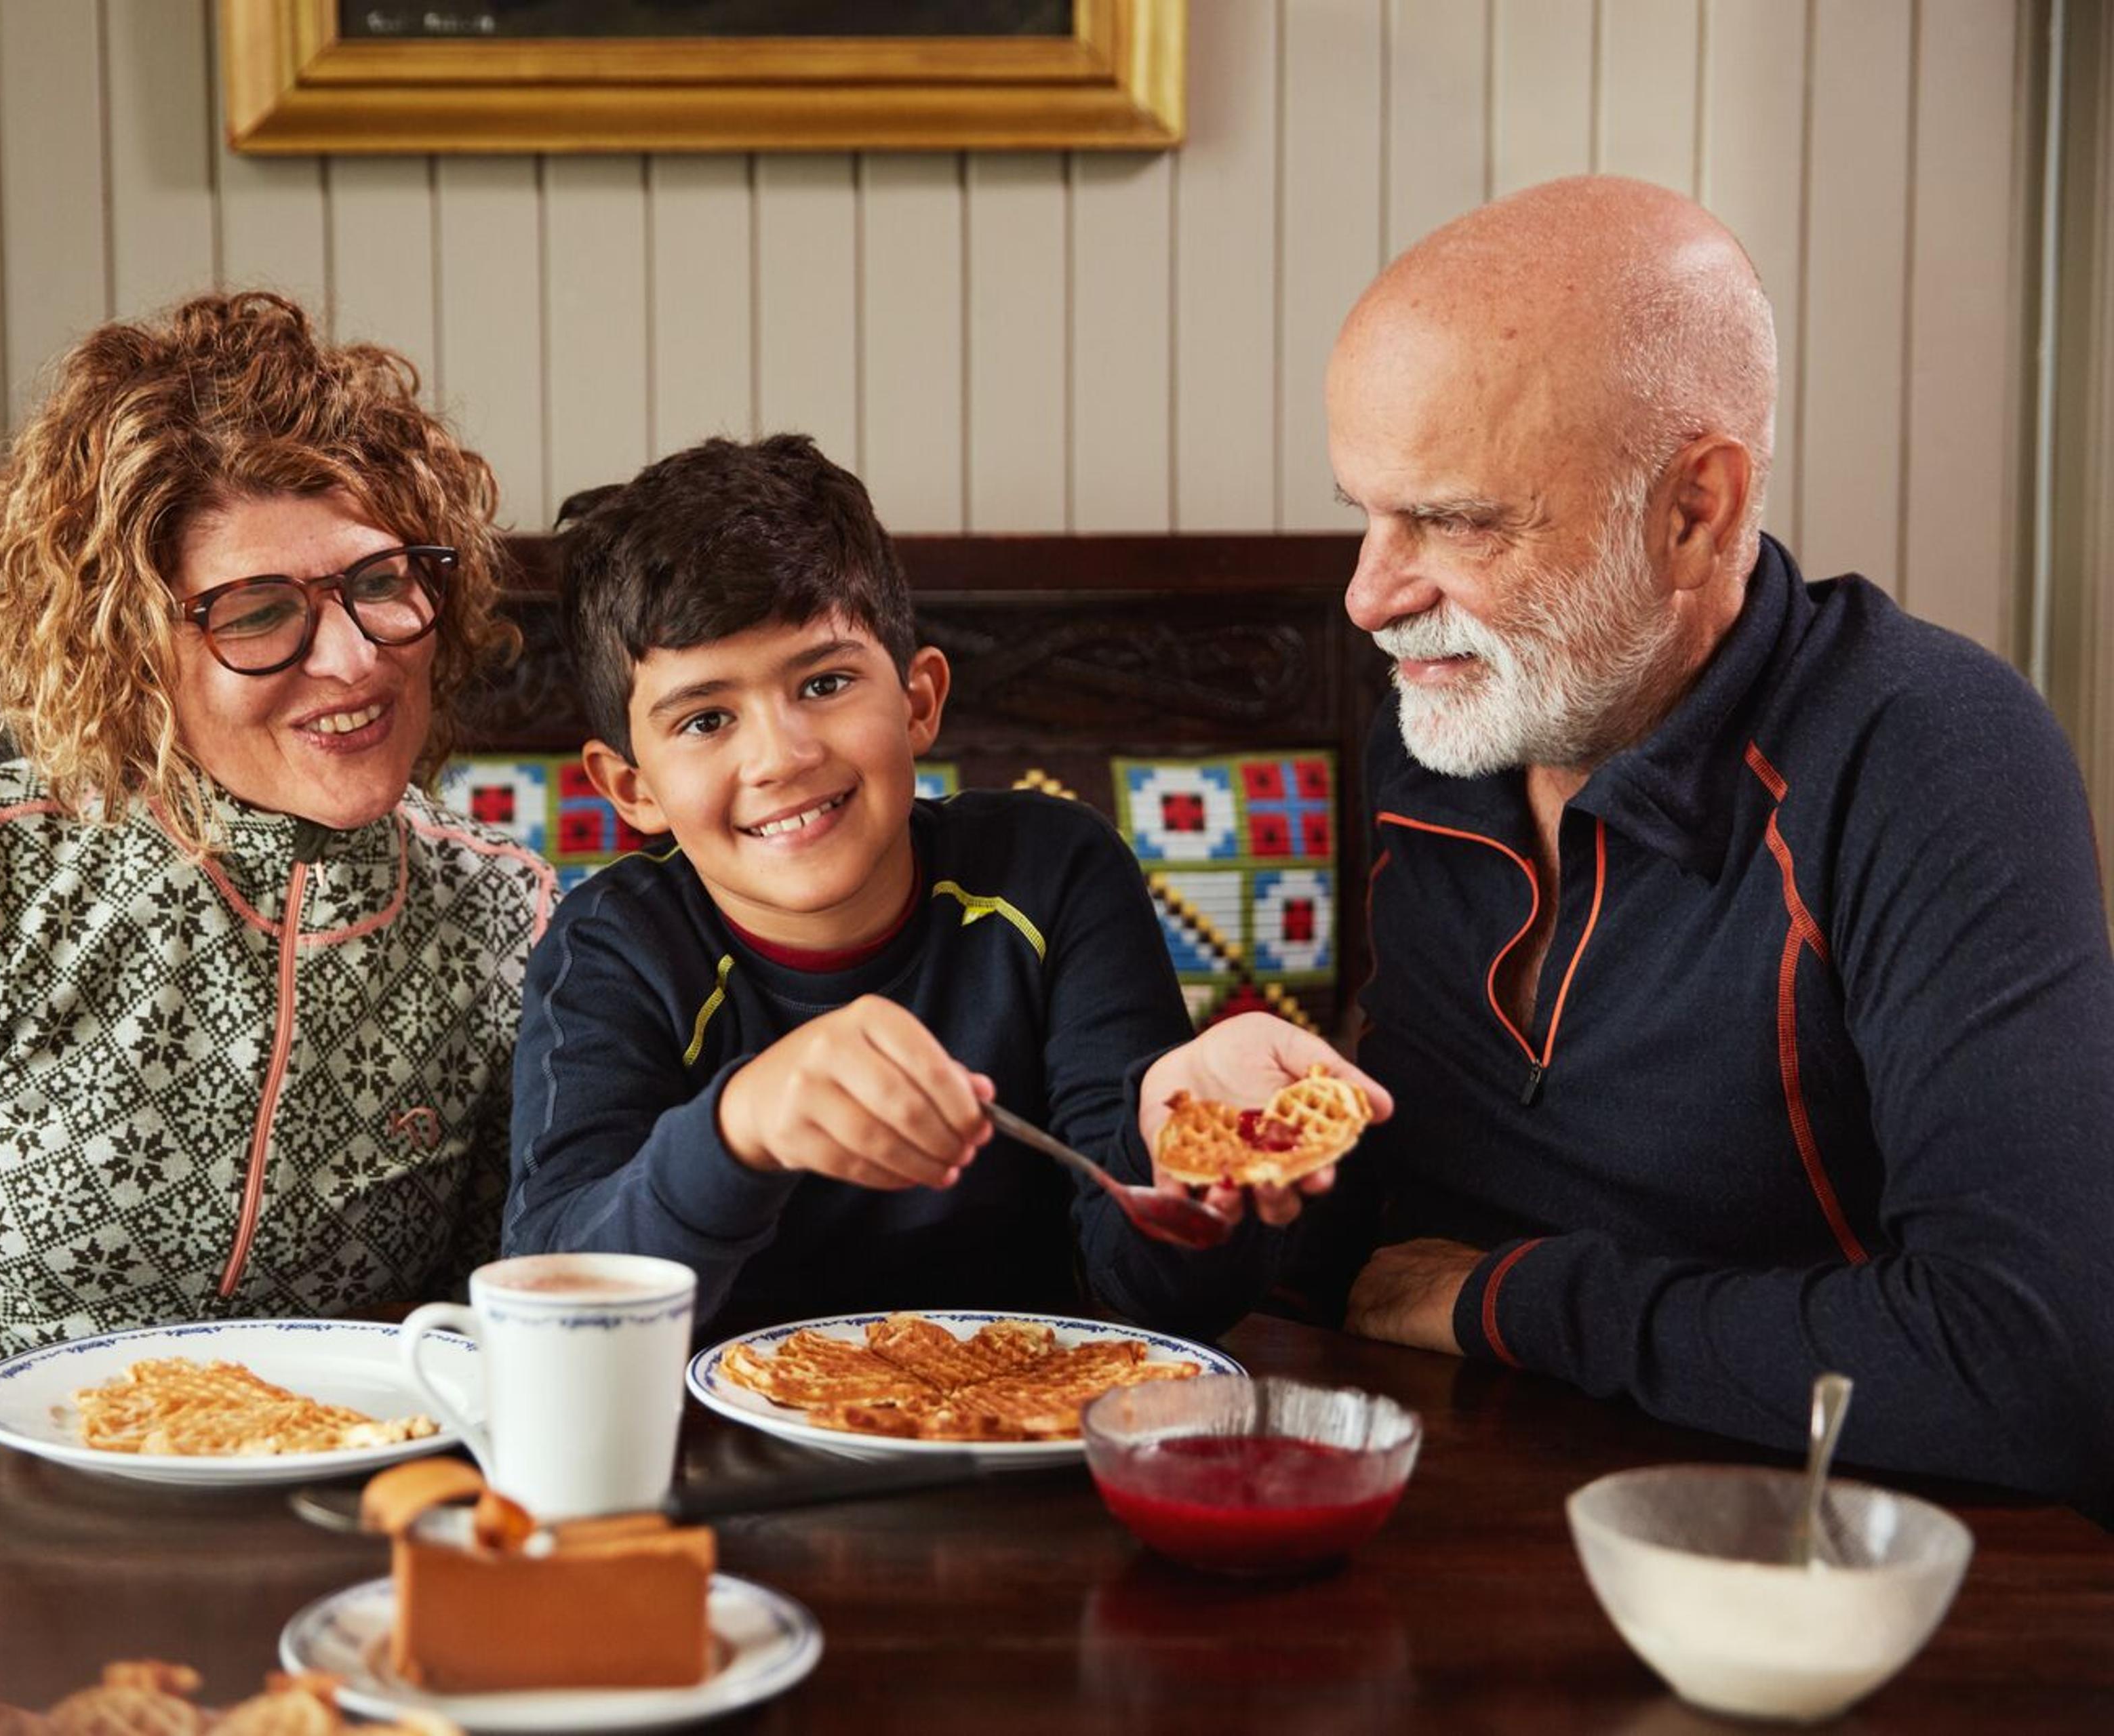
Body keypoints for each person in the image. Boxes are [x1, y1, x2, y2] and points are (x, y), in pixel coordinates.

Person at [1171, 175, 2113, 1508]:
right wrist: (1226, 1137)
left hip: (1794, 1556)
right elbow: (1391, 1241)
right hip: (1439, 1514)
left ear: (1693, 512)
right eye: (1363, 512)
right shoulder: (1447, 711)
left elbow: (2036, 1368)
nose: (1370, 597)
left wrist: (1510, 1302)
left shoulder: (1931, 753)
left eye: (1454, 519)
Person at [0, 292, 555, 1449]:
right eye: (258, 612)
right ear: (128, 647)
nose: (351, 658)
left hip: (340, 1549)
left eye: (381, 582)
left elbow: (498, 1325)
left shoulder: (502, 914)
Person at [500, 435, 1384, 1335]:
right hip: (713, 1462)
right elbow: (548, 1299)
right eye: (706, 718)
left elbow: (1156, 1295)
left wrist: (1193, 1172)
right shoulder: (610, 948)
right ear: (631, 787)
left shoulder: (1055, 876)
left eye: (827, 681)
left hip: (1026, 1437)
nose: (780, 755)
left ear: (919, 700)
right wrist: (736, 1128)